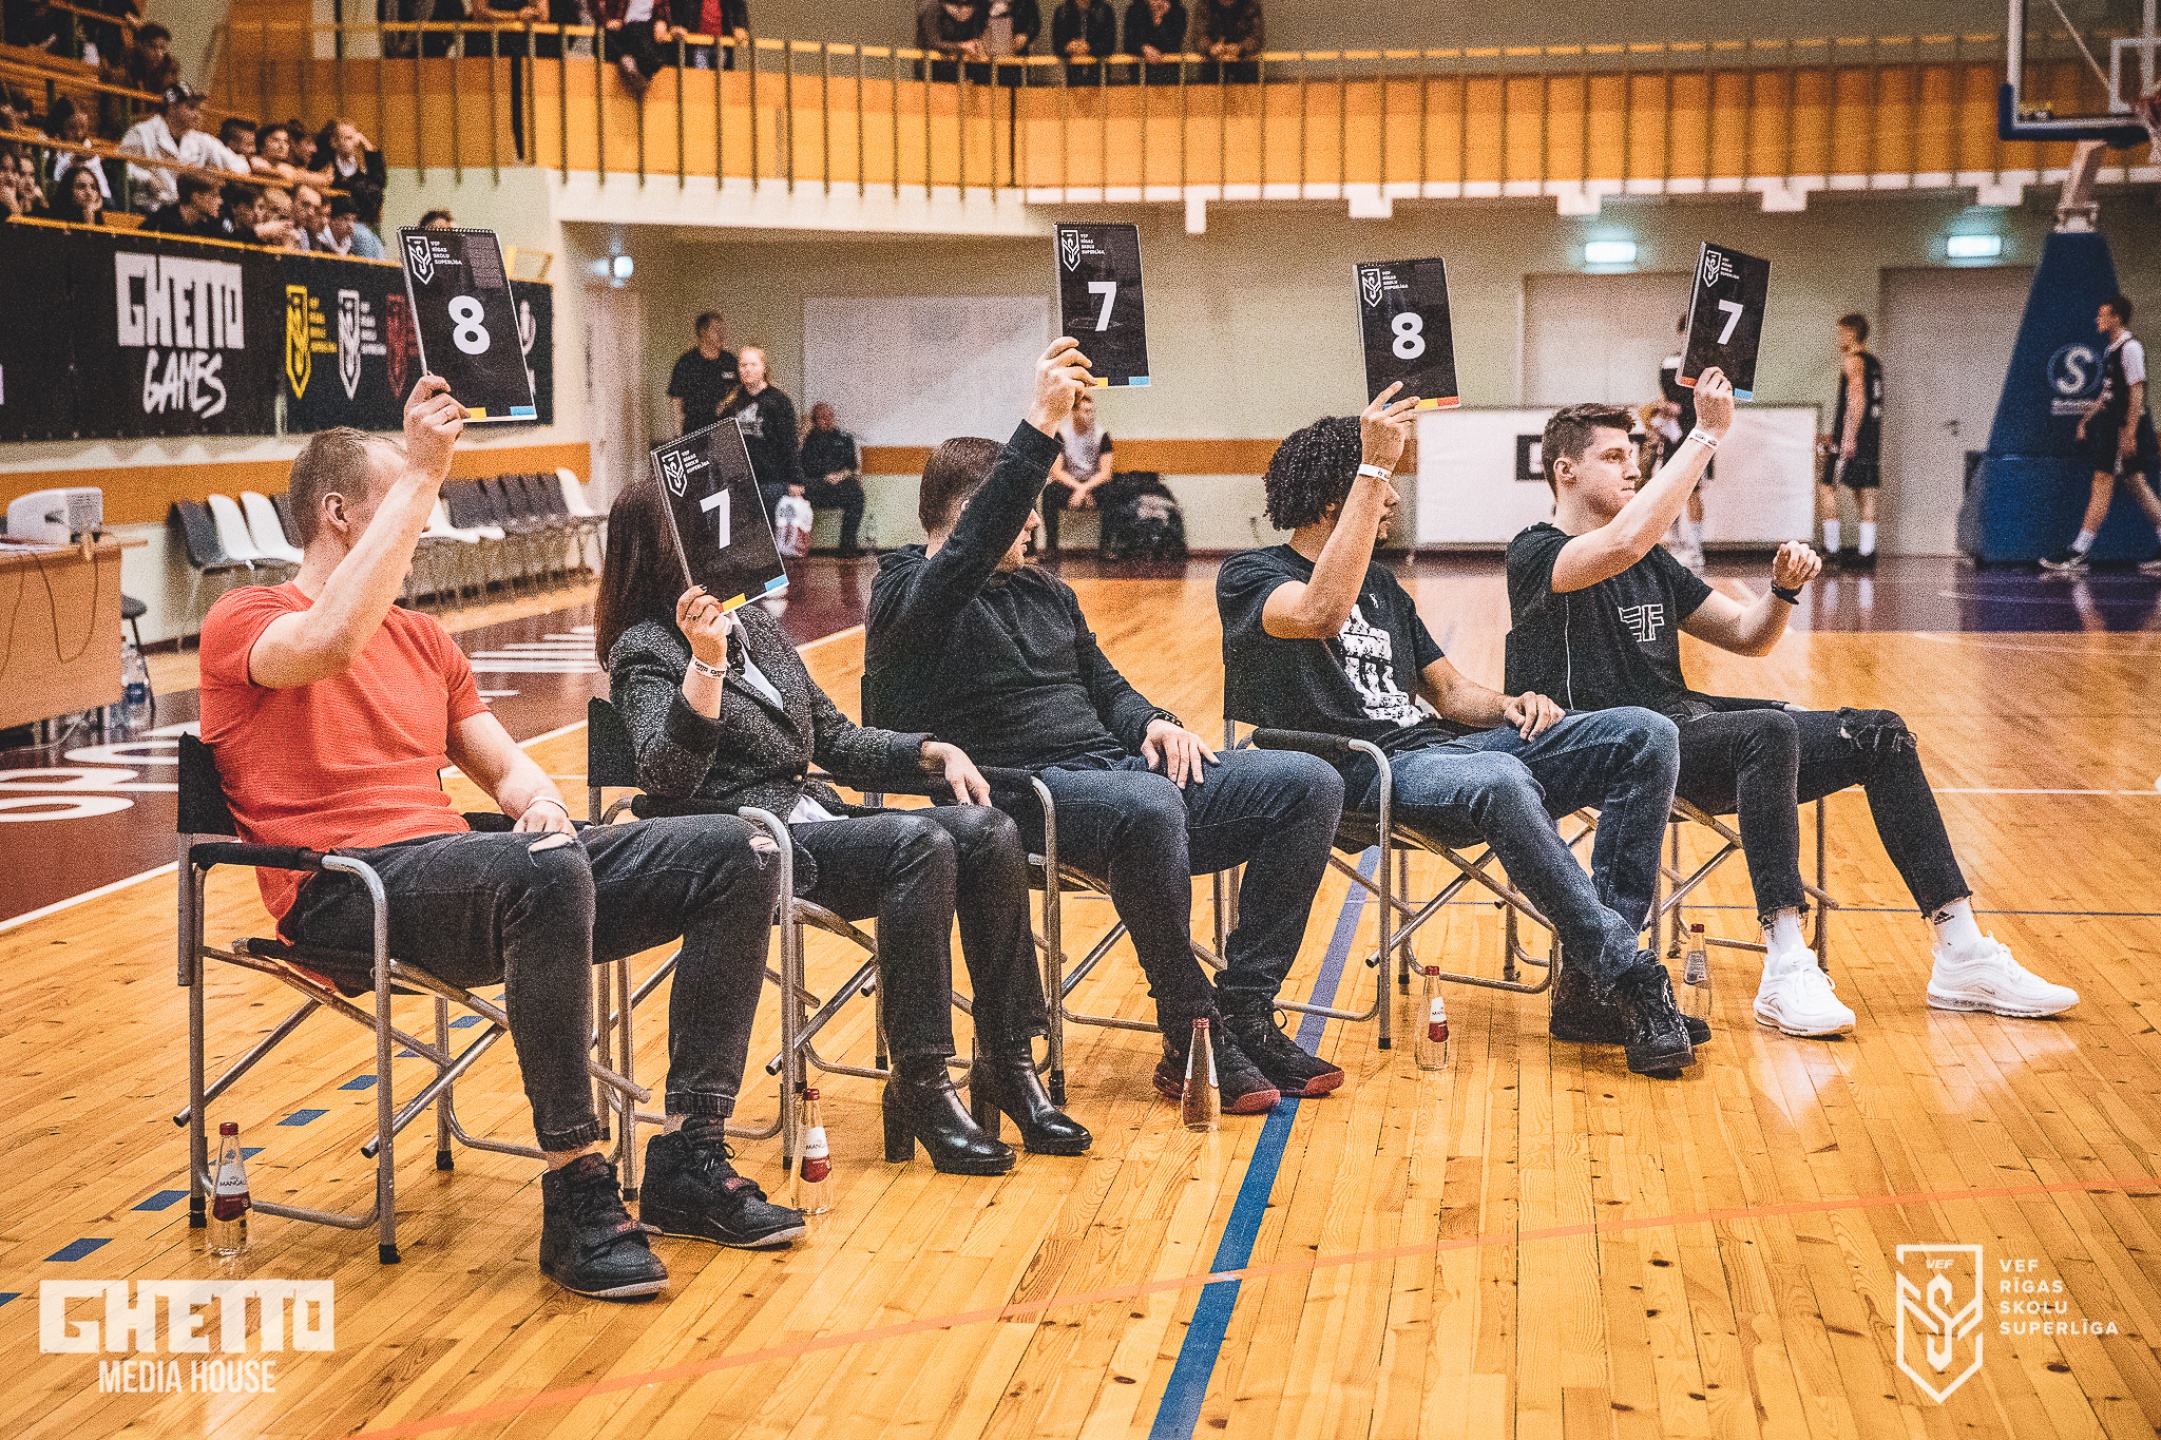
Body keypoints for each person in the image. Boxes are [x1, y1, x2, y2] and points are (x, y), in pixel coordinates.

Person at [198, 379, 804, 1302]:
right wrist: (424, 469)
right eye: (406, 495)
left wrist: (542, 804)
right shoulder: (244, 618)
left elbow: (507, 773)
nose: (426, 514)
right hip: (341, 891)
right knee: (544, 872)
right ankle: (576, 1186)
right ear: (338, 514)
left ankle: (690, 1153)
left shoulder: (426, 641)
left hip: (462, 874)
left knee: (737, 849)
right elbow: (326, 643)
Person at [1505, 384, 2080, 1040]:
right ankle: (1784, 961)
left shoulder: (1652, 563)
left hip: (1689, 733)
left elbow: (1746, 635)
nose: (1632, 467)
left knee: (1880, 734)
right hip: (1614, 754)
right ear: (1565, 470)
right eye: (1613, 457)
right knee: (1767, 730)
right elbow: (1622, 543)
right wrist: (1705, 434)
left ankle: (1961, 951)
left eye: (1633, 454)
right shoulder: (1536, 552)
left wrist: (1781, 591)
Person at [865, 337, 1348, 1111]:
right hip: (1013, 797)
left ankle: (1246, 1011)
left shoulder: (1045, 591)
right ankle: (1189, 1027)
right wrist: (1040, 423)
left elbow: (1106, 686)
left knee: (1307, 783)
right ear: (972, 516)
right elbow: (958, 564)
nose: (1034, 522)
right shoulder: (907, 594)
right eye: (1021, 508)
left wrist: (1151, 721)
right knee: (1149, 804)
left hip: (1109, 779)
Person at [598, 484, 1090, 1169]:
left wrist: (930, 751)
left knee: (989, 829)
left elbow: (831, 737)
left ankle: (1007, 1061)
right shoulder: (645, 649)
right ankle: (921, 1081)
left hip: (814, 821)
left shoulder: (755, 625)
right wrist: (704, 664)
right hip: (748, 845)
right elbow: (667, 776)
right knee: (918, 841)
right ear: (665, 549)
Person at [1219, 385, 1700, 1077]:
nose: (1392, 499)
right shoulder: (1251, 575)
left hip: (1436, 752)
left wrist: (1509, 704)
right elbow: (1319, 612)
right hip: (1356, 772)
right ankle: (1628, 976)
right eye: (1380, 483)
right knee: (1497, 776)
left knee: (1644, 733)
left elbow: (1447, 691)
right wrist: (1373, 464)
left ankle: (1590, 985)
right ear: (1335, 497)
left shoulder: (1383, 586)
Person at [2041, 295, 2161, 575]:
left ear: (2116, 317)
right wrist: (2085, 420)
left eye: (2103, 314)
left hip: (2122, 426)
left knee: (2102, 482)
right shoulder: (2110, 350)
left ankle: (2079, 551)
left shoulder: (2131, 348)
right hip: (2112, 424)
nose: (2098, 319)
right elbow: (2107, 394)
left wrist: (2129, 432)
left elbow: (2137, 393)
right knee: (2137, 485)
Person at [1815, 312, 1884, 570]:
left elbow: (1857, 401)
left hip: (1853, 437)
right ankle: (1867, 552)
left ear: (1852, 333)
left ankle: (1832, 550)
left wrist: (1848, 437)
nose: (1838, 338)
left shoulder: (1853, 361)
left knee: (1827, 486)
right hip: (1871, 436)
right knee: (1864, 492)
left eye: (1841, 332)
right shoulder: (1874, 363)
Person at [121, 86, 250, 212]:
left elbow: (240, 165)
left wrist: (209, 174)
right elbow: (120, 166)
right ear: (172, 108)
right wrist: (146, 178)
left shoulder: (201, 140)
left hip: (185, 211)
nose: (197, 115)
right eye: (191, 108)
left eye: (198, 109)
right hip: (149, 207)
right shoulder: (141, 133)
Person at [1653, 312, 1709, 576]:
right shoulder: (1669, 362)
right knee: (1670, 490)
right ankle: (1676, 544)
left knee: (1693, 490)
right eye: (1686, 332)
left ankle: (1695, 548)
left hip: (1696, 434)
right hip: (1673, 434)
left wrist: (1685, 410)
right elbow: (1665, 396)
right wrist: (1661, 414)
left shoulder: (1705, 366)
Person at [720, 346, 803, 518]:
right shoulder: (733, 402)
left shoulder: (779, 401)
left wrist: (795, 480)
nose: (747, 369)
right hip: (741, 483)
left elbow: (790, 443)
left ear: (764, 368)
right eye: (743, 365)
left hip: (772, 483)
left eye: (753, 364)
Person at [1040, 388, 1112, 555]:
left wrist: (1084, 489)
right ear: (1074, 413)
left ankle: (1106, 547)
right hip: (1070, 482)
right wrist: (1078, 488)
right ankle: (1051, 548)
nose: (1091, 415)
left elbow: (1106, 473)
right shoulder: (1061, 435)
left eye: (1092, 411)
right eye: (1086, 411)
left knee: (1111, 492)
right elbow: (1056, 472)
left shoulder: (1102, 436)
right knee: (1049, 492)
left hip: (1092, 483)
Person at [799, 401, 869, 556]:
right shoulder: (808, 440)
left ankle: (847, 546)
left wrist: (842, 475)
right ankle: (796, 547)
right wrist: (824, 477)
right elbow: (801, 466)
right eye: (822, 417)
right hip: (815, 484)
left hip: (839, 484)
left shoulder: (844, 439)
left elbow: (853, 467)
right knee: (796, 492)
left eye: (829, 416)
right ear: (814, 420)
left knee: (857, 495)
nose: (827, 420)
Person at [667, 311, 739, 437]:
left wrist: (725, 402)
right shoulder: (687, 362)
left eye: (722, 329)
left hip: (724, 429)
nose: (721, 334)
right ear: (703, 331)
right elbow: (676, 399)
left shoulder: (729, 360)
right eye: (716, 329)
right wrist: (678, 435)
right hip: (695, 429)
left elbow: (740, 387)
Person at [320, 117, 386, 227]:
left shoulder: (360, 163)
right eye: (346, 138)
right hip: (337, 221)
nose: (351, 142)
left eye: (352, 138)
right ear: (334, 142)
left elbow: (380, 183)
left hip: (363, 222)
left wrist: (367, 145)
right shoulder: (327, 162)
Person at [598, 0, 673, 96]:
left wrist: (664, 23)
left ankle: (635, 69)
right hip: (622, 30)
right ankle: (643, 73)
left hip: (645, 34)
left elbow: (664, 12)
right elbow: (597, 6)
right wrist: (606, 21)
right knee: (636, 30)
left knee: (645, 36)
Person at [1187, 0, 1258, 77]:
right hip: (1211, 66)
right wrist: (1210, 48)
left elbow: (1256, 37)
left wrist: (1241, 48)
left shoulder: (1252, 4)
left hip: (1245, 65)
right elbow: (1199, 35)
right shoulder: (1204, 4)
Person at [143, 174, 228, 238]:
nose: (220, 201)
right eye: (214, 196)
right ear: (196, 197)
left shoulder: (215, 223)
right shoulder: (161, 220)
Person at [1123, 0, 1185, 79]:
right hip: (1140, 71)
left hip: (1169, 70)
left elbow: (1174, 42)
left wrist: (1158, 18)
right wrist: (1143, 47)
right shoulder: (1134, 10)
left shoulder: (1177, 11)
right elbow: (1129, 41)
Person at [1052, 0, 1116, 72]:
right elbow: (1057, 44)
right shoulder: (1062, 12)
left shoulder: (1104, 11)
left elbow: (1109, 43)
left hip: (1099, 68)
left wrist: (1089, 48)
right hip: (1069, 69)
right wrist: (1068, 47)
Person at [318, 192, 384, 257]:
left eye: (353, 221)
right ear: (332, 220)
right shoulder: (320, 241)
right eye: (345, 219)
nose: (351, 226)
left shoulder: (348, 244)